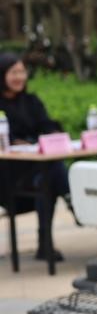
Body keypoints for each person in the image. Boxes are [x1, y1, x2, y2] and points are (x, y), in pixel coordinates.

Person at [0, 53, 69, 262]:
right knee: (51, 174)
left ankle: (45, 245)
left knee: (48, 177)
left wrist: (52, 135)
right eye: (14, 72)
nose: (19, 77)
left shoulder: (31, 101)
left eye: (22, 71)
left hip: (37, 173)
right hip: (8, 178)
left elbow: (46, 125)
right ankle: (72, 200)